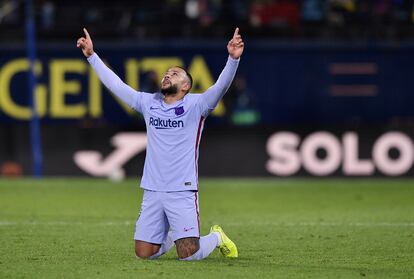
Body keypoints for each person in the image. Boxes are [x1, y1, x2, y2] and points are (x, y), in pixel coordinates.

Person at [77, 27, 244, 261]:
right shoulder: (148, 103)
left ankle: (216, 237)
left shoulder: (197, 106)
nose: (167, 75)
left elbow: (220, 87)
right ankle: (171, 237)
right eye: (167, 73)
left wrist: (232, 60)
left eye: (175, 74)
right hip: (153, 189)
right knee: (143, 254)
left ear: (186, 86)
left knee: (188, 255)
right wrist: (92, 56)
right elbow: (116, 86)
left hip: (182, 189)